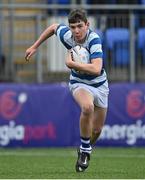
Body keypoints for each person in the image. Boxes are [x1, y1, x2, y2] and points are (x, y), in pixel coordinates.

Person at [25, 9, 109, 172]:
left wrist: (72, 64)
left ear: (87, 25)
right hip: (79, 83)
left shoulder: (94, 39)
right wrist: (35, 46)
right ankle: (85, 152)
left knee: (97, 130)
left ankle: (85, 148)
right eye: (73, 27)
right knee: (87, 107)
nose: (76, 31)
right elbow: (53, 27)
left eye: (80, 26)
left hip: (100, 85)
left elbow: (97, 68)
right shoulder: (68, 36)